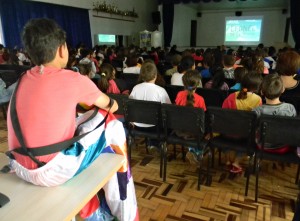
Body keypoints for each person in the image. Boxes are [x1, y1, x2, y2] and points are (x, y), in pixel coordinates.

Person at [7, 18, 138, 221]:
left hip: (19, 165)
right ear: (61, 49)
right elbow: (112, 105)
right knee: (111, 122)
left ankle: (95, 209)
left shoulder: (23, 78)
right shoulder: (72, 78)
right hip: (50, 170)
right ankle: (127, 213)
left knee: (81, 124)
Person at [222, 72, 263, 173]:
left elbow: (222, 114)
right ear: (257, 87)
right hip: (244, 136)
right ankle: (236, 161)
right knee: (250, 137)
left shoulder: (231, 96)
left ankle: (227, 160)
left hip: (227, 134)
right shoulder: (258, 100)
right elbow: (258, 120)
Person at [130, 62, 171, 152]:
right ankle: (155, 144)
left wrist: (132, 121)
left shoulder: (136, 88)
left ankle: (152, 143)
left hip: (138, 126)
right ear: (156, 75)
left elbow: (130, 106)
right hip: (155, 128)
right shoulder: (160, 91)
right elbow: (168, 109)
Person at [253, 73, 296, 153]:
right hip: (284, 147)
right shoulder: (290, 108)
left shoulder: (257, 110)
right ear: (283, 89)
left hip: (262, 146)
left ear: (261, 92)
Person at [175, 69, 207, 164]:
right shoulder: (200, 99)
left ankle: (193, 150)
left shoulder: (179, 95)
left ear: (183, 83)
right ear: (197, 84)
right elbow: (202, 117)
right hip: (195, 133)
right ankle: (194, 151)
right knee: (204, 133)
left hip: (180, 131)